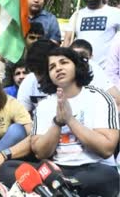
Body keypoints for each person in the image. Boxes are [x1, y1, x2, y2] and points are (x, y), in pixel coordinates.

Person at [31, 47, 119, 196]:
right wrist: (58, 123)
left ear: (76, 65)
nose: (58, 68)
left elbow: (106, 149)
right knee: (9, 169)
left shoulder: (100, 98)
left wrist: (70, 120)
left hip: (95, 168)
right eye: (52, 67)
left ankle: (60, 189)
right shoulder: (44, 105)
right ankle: (63, 189)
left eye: (63, 62)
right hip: (58, 169)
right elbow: (40, 152)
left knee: (107, 178)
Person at [63, 0, 120, 68]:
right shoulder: (77, 15)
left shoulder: (115, 13)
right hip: (81, 70)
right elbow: (67, 41)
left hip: (106, 72)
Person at [70, 39, 120, 110]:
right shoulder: (63, 67)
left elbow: (117, 98)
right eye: (74, 56)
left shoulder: (94, 68)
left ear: (91, 57)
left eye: (83, 56)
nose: (78, 60)